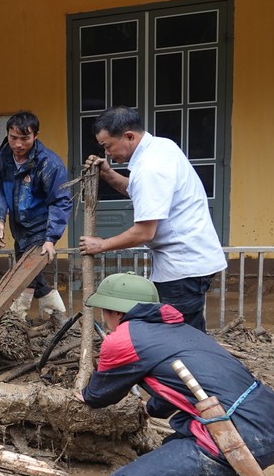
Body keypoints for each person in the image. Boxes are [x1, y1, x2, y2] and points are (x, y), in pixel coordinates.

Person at [76, 272, 274, 476]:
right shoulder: (182, 331)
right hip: (265, 416)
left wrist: (84, 394)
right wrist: (150, 408)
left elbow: (99, 396)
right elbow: (180, 388)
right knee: (180, 432)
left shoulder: (122, 338)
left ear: (112, 312)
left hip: (235, 433)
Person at [78, 106, 226, 333]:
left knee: (178, 337)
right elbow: (142, 192)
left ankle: (190, 367)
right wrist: (107, 173)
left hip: (183, 267)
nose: (107, 152)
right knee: (189, 333)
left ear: (129, 136)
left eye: (108, 146)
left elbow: (145, 232)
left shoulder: (150, 167)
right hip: (189, 262)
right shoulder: (161, 147)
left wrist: (101, 245)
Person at [0, 110, 71, 323]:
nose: (18, 144)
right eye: (13, 138)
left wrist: (51, 238)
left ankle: (18, 316)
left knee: (25, 271)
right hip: (18, 226)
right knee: (28, 270)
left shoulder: (48, 163)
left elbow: (60, 200)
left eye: (25, 138)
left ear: (36, 135)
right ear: (7, 134)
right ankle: (58, 317)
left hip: (41, 226)